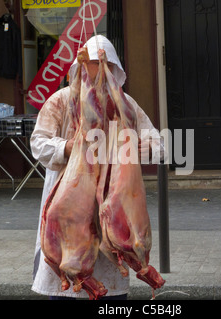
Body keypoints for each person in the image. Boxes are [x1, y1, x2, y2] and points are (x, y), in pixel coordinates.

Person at [30, 35, 163, 300]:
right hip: (70, 205)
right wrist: (69, 148)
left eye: (105, 66)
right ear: (80, 67)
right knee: (68, 266)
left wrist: (145, 148)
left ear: (114, 69)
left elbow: (159, 144)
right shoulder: (61, 101)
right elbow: (38, 143)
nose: (98, 71)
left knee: (111, 272)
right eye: (91, 65)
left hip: (112, 211)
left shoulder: (125, 105)